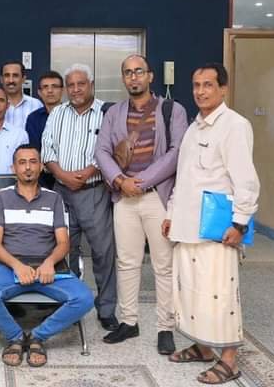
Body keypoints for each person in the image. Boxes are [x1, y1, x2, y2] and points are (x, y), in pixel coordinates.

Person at [163, 63, 259, 384]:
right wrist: (171, 213)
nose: (200, 91)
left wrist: (240, 224)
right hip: (187, 226)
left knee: (220, 294)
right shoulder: (194, 128)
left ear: (223, 88)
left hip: (218, 230)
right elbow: (184, 177)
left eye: (208, 85)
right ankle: (203, 347)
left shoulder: (235, 126)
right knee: (192, 292)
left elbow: (246, 181)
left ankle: (229, 360)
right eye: (196, 85)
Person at [95, 54, 188, 354]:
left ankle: (165, 327)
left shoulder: (172, 110)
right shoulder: (114, 113)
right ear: (123, 78)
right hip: (124, 198)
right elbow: (102, 151)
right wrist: (120, 181)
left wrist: (142, 181)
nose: (133, 77)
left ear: (150, 76)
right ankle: (129, 321)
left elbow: (176, 152)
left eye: (139, 71)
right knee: (127, 262)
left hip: (157, 198)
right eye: (128, 73)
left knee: (163, 265)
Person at [0, 144, 94, 367]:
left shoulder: (54, 198)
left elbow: (63, 243)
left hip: (48, 268)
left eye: (33, 162)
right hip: (10, 267)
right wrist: (17, 266)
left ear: (41, 167)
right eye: (22, 162)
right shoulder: (2, 197)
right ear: (14, 168)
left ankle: (38, 336)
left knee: (85, 298)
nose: (28, 167)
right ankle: (16, 337)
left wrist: (49, 263)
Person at [41, 63, 118, 332]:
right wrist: (62, 175)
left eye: (81, 84)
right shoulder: (57, 113)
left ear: (91, 85)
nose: (75, 89)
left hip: (94, 191)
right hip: (61, 193)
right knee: (65, 250)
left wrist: (88, 172)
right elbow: (47, 150)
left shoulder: (106, 113)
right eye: (71, 85)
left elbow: (113, 149)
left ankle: (106, 308)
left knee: (103, 252)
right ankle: (70, 304)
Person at [26, 71, 64, 189]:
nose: (50, 91)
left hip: (68, 175)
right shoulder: (33, 118)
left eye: (54, 86)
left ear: (62, 90)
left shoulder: (72, 115)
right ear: (39, 92)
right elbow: (34, 148)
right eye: (45, 87)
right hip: (42, 179)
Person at [0, 61, 43, 129]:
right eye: (7, 75)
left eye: (15, 75)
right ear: (1, 79)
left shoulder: (36, 105)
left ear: (23, 79)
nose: (11, 80)